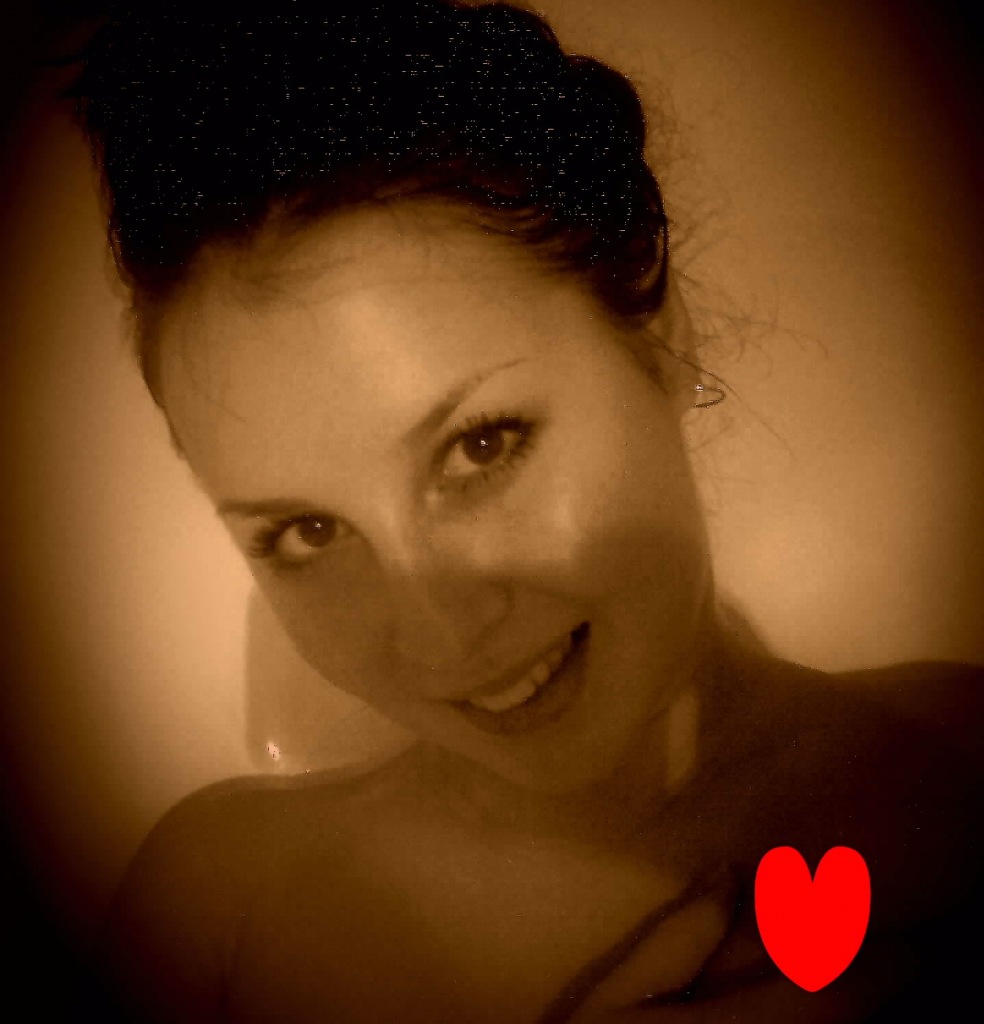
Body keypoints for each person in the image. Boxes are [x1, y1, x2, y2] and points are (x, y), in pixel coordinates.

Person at [67, 1, 981, 1020]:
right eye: (306, 532)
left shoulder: (961, 773)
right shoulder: (217, 915)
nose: (438, 635)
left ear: (662, 338)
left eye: (481, 446)